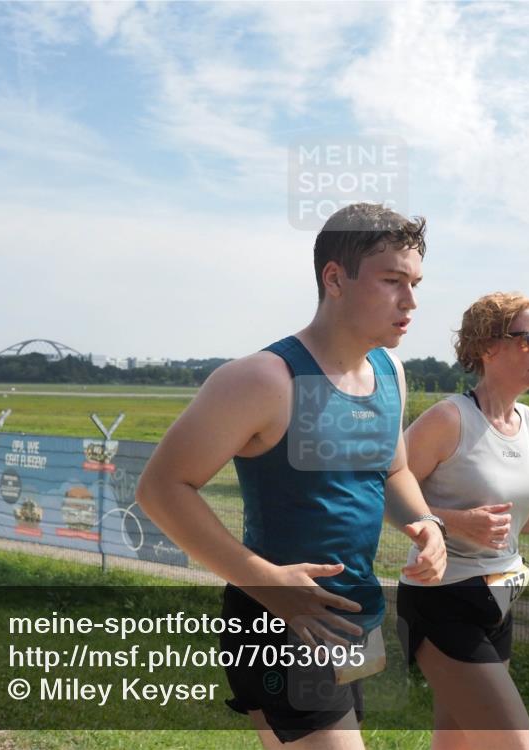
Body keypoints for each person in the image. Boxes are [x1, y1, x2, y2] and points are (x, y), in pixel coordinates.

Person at [136, 202, 447, 749]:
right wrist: (264, 580)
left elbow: (392, 467)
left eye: (415, 283)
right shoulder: (264, 378)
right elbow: (161, 488)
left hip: (353, 617)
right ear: (335, 279)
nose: (411, 301)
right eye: (393, 281)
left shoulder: (389, 370)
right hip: (278, 621)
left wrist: (424, 522)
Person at [397, 292, 529, 750]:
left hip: (498, 601)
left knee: (458, 743)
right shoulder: (450, 419)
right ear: (489, 346)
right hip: (442, 600)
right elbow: (380, 490)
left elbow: (524, 523)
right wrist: (451, 521)